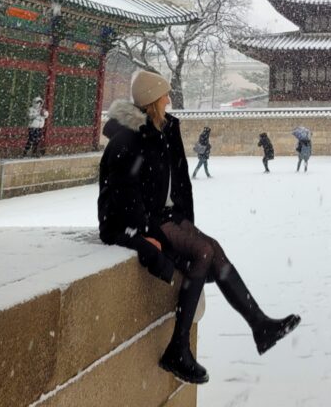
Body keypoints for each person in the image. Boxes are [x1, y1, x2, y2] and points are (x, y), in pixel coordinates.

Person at [98, 70, 300, 386]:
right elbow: (124, 194)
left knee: (212, 249)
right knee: (204, 252)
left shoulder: (166, 128)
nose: (169, 98)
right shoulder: (130, 137)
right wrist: (144, 232)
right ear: (153, 99)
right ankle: (182, 346)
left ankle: (257, 325)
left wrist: (185, 221)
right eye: (164, 94)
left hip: (169, 216)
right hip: (146, 221)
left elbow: (179, 180)